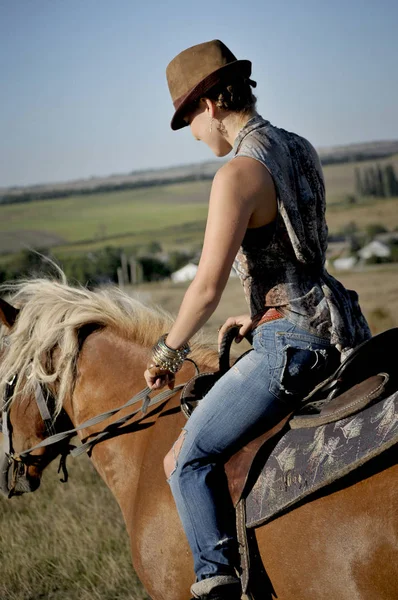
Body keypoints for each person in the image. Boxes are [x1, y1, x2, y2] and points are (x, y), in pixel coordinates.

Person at [144, 40, 371, 600]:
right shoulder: (300, 148)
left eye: (188, 121)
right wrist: (258, 314)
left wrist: (165, 355)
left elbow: (204, 288)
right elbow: (295, 253)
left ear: (210, 106)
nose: (196, 137)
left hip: (291, 347)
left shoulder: (237, 174)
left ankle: (216, 585)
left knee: (187, 458)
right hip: (341, 328)